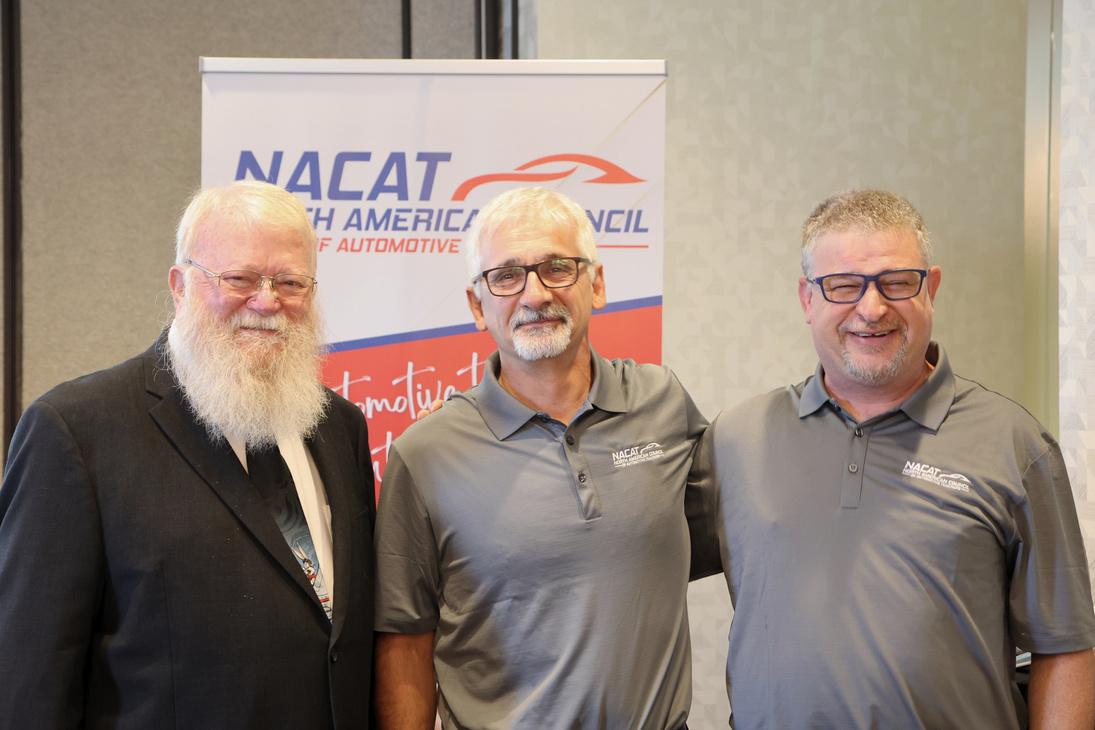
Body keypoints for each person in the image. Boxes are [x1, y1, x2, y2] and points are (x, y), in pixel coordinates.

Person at [697, 189, 1095, 728]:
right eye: (844, 285)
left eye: (897, 282)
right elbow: (630, 562)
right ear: (807, 299)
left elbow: (1066, 647)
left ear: (931, 288)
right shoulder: (737, 440)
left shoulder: (1015, 444)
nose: (872, 308)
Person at [0, 181, 376, 728]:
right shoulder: (76, 430)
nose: (267, 302)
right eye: (240, 279)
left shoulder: (340, 427)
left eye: (291, 282)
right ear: (180, 286)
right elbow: (29, 676)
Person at [373, 187, 716, 729]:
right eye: (506, 276)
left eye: (557, 268)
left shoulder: (663, 403)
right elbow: (405, 642)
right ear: (476, 305)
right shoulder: (426, 454)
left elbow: (724, 541)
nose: (534, 295)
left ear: (596, 284)